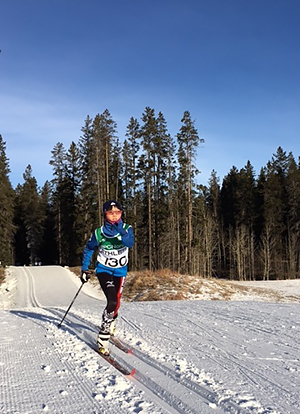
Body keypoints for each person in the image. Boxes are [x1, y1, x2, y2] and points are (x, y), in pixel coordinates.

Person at [81, 200, 134, 355]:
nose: (114, 216)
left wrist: (119, 230)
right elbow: (89, 249)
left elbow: (129, 242)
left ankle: (112, 322)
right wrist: (84, 269)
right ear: (105, 214)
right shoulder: (99, 233)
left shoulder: (126, 229)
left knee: (116, 302)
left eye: (117, 212)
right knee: (111, 300)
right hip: (104, 270)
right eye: (111, 213)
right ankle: (103, 336)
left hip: (121, 271)